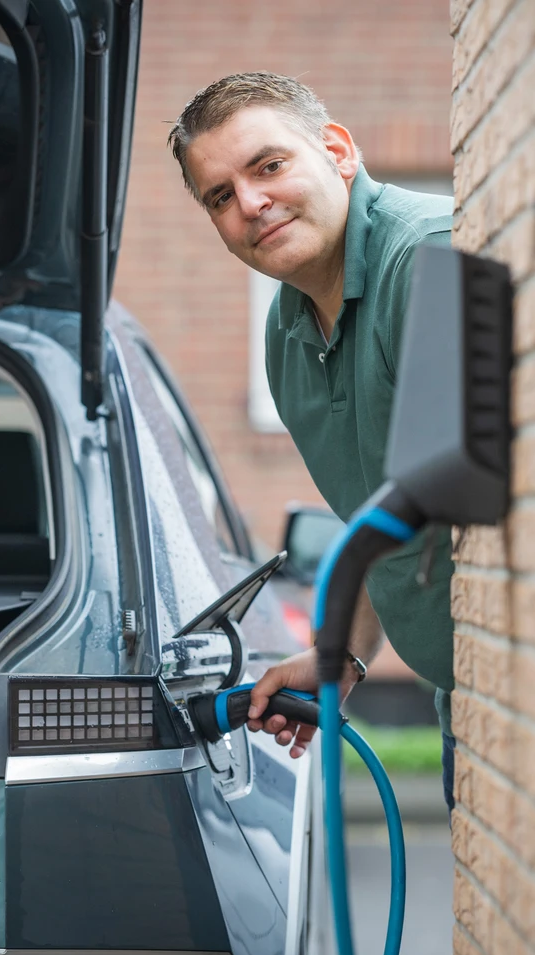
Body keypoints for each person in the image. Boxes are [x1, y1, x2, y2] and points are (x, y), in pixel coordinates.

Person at [168, 73, 459, 811]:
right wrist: (344, 652)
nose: (251, 204)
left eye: (268, 166)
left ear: (338, 152)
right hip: (466, 698)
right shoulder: (286, 335)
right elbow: (383, 514)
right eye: (220, 197)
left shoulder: (432, 260)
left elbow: (487, 513)